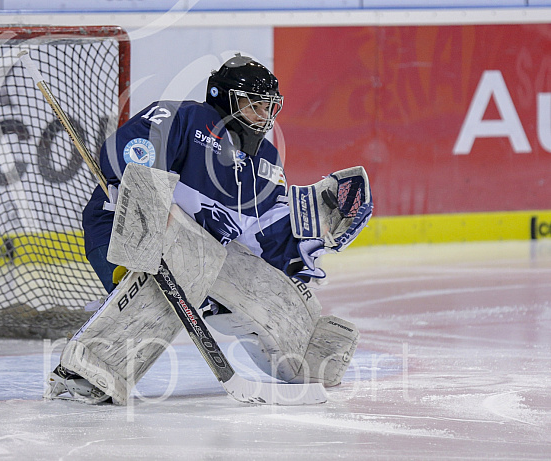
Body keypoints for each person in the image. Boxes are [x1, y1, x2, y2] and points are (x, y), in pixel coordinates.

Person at [46, 54, 372, 404]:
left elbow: (261, 233)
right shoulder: (185, 118)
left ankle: (305, 355)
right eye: (253, 106)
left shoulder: (266, 162)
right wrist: (161, 207)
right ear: (222, 97)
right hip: (121, 231)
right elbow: (126, 155)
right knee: (189, 254)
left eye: (268, 108)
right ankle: (90, 366)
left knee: (266, 280)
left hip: (203, 255)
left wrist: (305, 236)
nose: (263, 117)